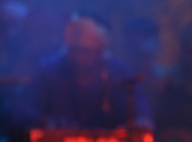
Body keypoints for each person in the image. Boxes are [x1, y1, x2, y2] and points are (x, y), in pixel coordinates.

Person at [14, 13, 152, 130]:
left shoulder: (119, 73)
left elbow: (139, 110)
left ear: (100, 51)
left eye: (86, 52)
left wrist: (141, 120)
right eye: (74, 50)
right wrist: (46, 122)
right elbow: (22, 109)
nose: (80, 57)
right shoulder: (49, 71)